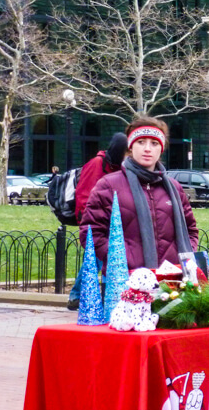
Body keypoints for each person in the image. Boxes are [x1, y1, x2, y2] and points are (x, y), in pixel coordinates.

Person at [82, 117, 198, 273]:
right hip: (125, 281)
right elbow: (91, 233)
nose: (147, 149)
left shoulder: (174, 188)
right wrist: (121, 260)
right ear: (131, 146)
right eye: (141, 142)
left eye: (154, 143)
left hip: (171, 280)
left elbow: (190, 228)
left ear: (161, 149)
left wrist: (183, 256)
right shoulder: (108, 185)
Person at [66, 134, 128, 310]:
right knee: (97, 259)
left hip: (110, 221)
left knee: (98, 259)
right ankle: (78, 295)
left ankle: (80, 296)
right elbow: (85, 195)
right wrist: (88, 221)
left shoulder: (117, 167)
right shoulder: (97, 164)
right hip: (95, 221)